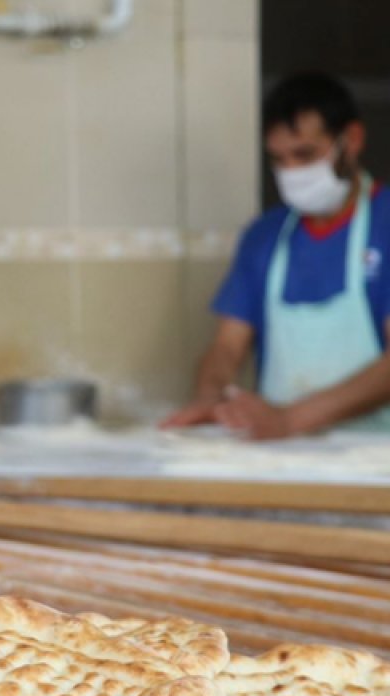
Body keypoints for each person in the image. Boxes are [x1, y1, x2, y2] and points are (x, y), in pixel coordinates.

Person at [164, 73, 390, 439]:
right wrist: (210, 396)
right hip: (284, 456)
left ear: (352, 140)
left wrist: (292, 419)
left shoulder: (385, 222)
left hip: (378, 458)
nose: (293, 172)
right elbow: (227, 345)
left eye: (305, 155)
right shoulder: (265, 235)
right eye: (280, 160)